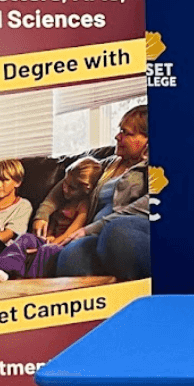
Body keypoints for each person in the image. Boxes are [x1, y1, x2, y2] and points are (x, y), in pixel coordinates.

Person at [55, 105, 151, 280]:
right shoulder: (110, 164)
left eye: (126, 133)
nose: (117, 136)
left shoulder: (153, 167)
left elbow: (150, 203)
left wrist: (92, 228)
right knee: (70, 256)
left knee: (116, 233)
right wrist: (42, 214)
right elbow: (66, 182)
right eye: (119, 130)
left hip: (128, 229)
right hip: (96, 233)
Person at [0, 157, 103, 280]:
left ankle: (28, 281)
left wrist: (51, 243)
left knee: (46, 250)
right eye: (64, 183)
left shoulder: (83, 206)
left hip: (65, 243)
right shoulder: (63, 200)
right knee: (25, 238)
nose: (64, 189)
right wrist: (47, 236)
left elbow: (71, 233)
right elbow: (53, 221)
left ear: (86, 189)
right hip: (50, 239)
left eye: (71, 188)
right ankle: (1, 270)